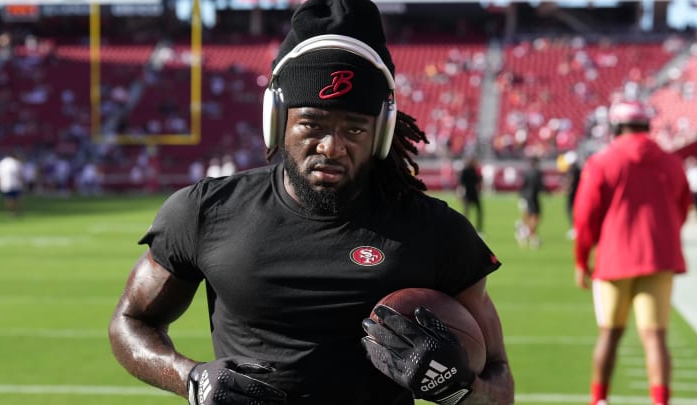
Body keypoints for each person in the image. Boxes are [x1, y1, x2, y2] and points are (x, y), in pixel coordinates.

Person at [108, 2, 514, 405]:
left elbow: (500, 386)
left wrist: (460, 390)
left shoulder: (435, 230)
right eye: (312, 124)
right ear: (277, 119)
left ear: (382, 131)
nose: (331, 147)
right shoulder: (207, 211)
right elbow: (130, 321)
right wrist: (191, 378)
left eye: (354, 128)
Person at [572, 100, 691, 405]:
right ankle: (660, 401)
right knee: (655, 337)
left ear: (616, 126)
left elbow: (585, 215)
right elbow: (682, 206)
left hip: (614, 258)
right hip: (659, 258)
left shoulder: (602, 161)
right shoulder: (670, 160)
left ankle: (599, 399)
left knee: (609, 334)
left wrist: (581, 258)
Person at [515, 155, 547, 248]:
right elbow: (540, 185)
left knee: (528, 216)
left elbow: (523, 185)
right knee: (535, 217)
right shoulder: (537, 172)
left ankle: (523, 231)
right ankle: (531, 236)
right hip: (533, 197)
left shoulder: (527, 172)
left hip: (525, 196)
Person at [457, 156, 484, 232]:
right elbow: (461, 184)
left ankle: (479, 228)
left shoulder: (474, 170)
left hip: (475, 194)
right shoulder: (465, 171)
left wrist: (480, 179)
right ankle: (465, 228)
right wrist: (460, 194)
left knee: (479, 211)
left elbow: (478, 182)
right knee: (466, 213)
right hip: (468, 194)